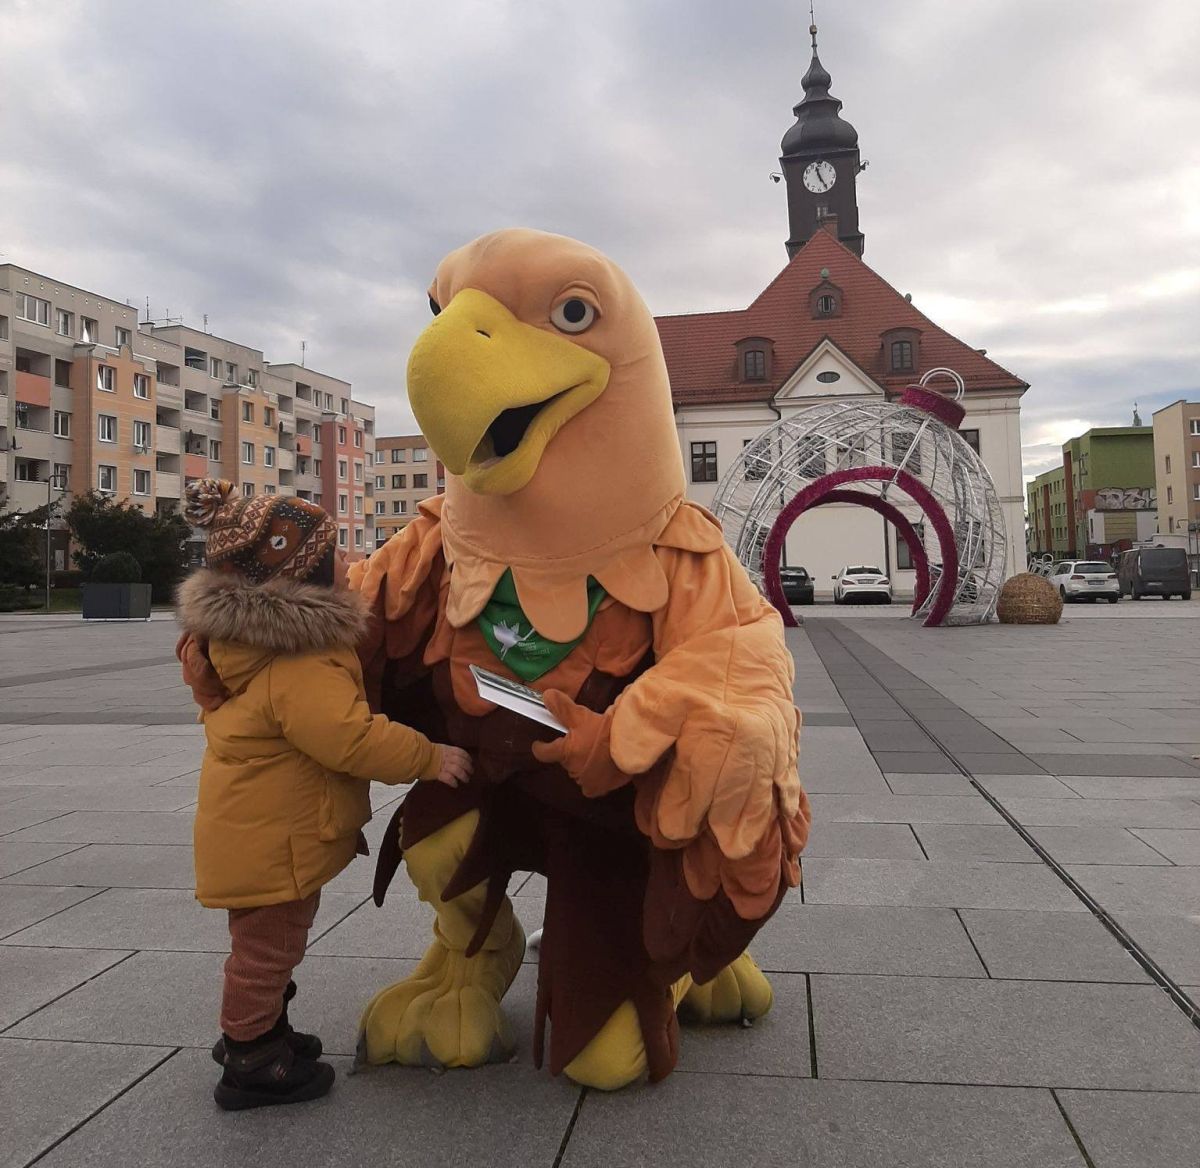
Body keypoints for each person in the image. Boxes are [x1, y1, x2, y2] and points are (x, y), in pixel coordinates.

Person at [175, 478, 471, 1111]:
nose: (348, 565)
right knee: (267, 949)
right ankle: (250, 1058)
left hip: (256, 829)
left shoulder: (246, 647)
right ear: (301, 577)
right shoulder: (299, 662)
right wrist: (429, 756)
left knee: (262, 943)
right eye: (334, 557)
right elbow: (349, 738)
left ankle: (261, 1032)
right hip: (276, 838)